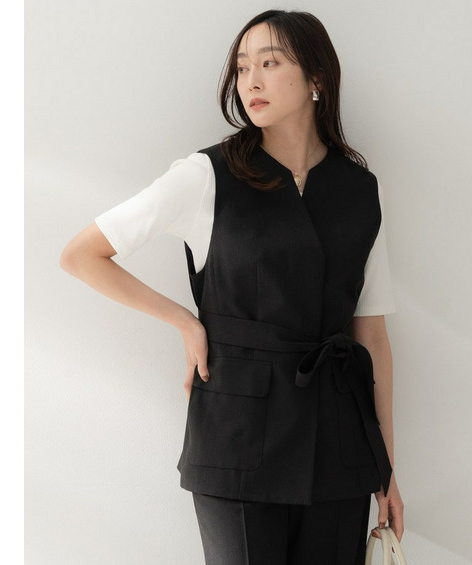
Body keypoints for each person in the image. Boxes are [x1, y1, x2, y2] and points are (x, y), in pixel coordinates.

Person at [60, 9, 404, 565]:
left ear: (316, 77)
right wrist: (185, 322)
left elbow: (373, 337)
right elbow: (82, 255)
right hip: (236, 436)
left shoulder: (359, 190)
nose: (251, 81)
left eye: (270, 63)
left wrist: (386, 469)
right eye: (243, 67)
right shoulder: (206, 175)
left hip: (338, 443)